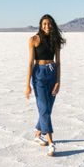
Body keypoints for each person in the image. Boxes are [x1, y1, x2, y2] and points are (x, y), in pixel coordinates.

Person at [25, 14, 66, 156]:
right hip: (39, 76)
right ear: (40, 26)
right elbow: (30, 63)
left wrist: (58, 82)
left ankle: (37, 135)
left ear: (52, 25)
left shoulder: (55, 41)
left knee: (47, 109)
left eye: (49, 24)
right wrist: (27, 85)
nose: (46, 26)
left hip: (52, 74)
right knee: (43, 108)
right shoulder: (34, 40)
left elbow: (59, 62)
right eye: (44, 24)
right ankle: (51, 143)